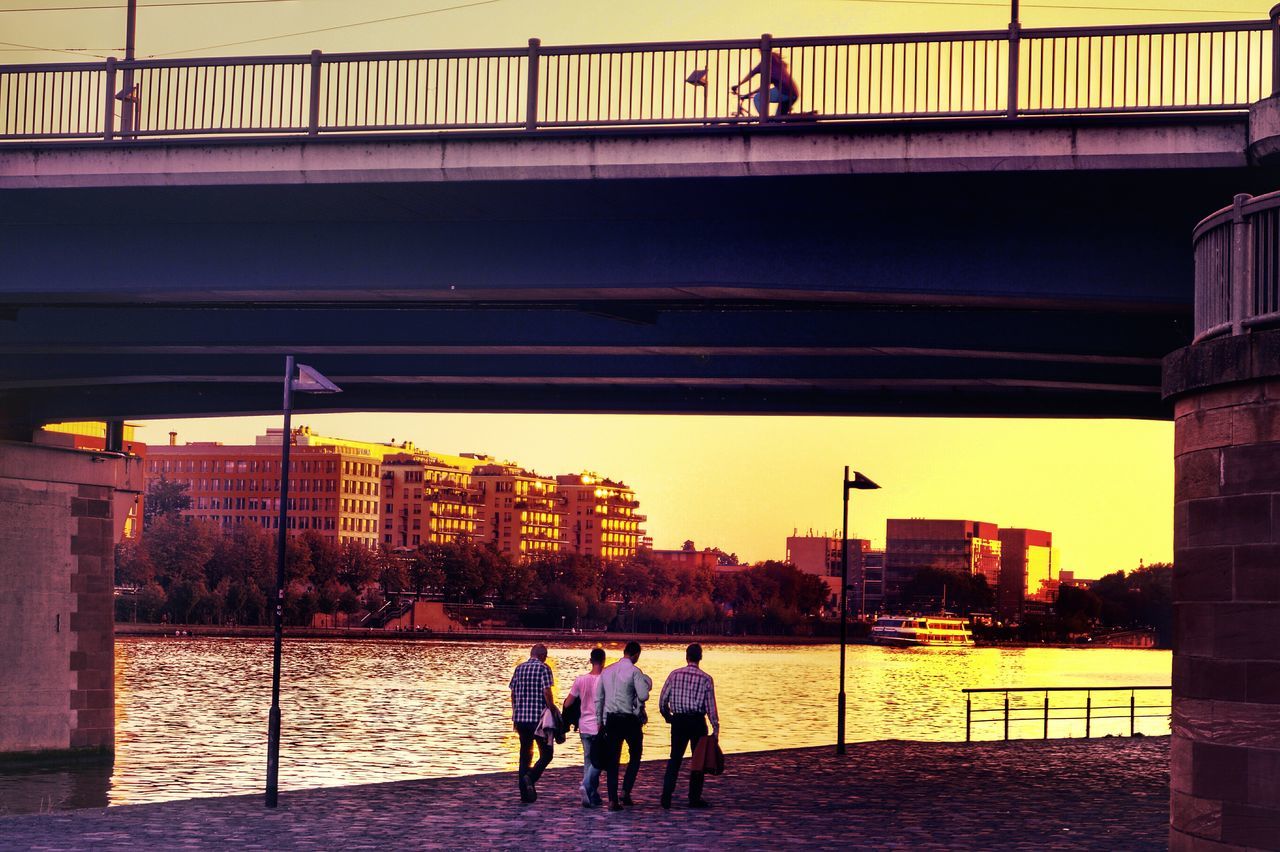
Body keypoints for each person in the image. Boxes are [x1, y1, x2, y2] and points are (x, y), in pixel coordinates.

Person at [658, 643, 720, 810]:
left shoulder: (674, 675)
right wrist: (715, 728)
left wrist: (668, 716)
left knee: (674, 760)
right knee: (697, 762)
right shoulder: (706, 679)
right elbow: (710, 706)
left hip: (678, 721)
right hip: (697, 722)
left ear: (687, 656)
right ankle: (694, 798)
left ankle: (666, 797)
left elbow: (663, 700)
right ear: (700, 658)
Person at [595, 640, 652, 811]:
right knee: (635, 754)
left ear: (624, 652)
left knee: (613, 759)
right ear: (636, 655)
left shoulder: (606, 671)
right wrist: (644, 684)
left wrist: (600, 721)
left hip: (611, 719)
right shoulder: (635, 672)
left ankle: (612, 800)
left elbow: (599, 698)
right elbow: (643, 696)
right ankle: (626, 791)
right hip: (629, 719)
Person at [509, 643, 555, 803]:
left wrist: (514, 714)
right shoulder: (544, 668)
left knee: (525, 755)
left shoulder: (519, 668)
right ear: (543, 655)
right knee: (547, 754)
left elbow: (513, 693)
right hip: (538, 720)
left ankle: (524, 794)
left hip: (521, 719)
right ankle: (531, 777)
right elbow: (547, 692)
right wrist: (553, 710)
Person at [563, 647, 606, 808]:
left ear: (590, 661)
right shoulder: (605, 679)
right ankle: (588, 788)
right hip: (599, 725)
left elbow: (568, 703)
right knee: (598, 761)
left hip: (584, 725)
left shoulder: (580, 680)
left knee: (588, 759)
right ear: (603, 661)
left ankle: (591, 793)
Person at [731, 49, 800, 117]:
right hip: (793, 94)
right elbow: (763, 87)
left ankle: (764, 118)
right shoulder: (777, 64)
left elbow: (751, 74)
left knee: (758, 98)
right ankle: (769, 121)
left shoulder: (766, 63)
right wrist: (748, 93)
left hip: (785, 92)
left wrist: (738, 86)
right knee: (777, 120)